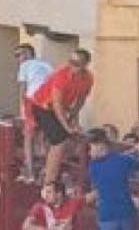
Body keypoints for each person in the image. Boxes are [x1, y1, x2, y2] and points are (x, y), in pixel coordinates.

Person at [30, 48, 94, 185]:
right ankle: (49, 182)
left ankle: (52, 173)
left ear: (85, 65)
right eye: (71, 62)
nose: (72, 66)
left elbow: (80, 100)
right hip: (42, 106)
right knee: (60, 141)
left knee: (65, 138)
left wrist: (73, 119)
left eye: (77, 63)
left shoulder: (88, 78)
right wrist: (67, 126)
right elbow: (56, 104)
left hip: (62, 107)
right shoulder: (61, 75)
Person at [15, 44, 53, 183]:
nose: (17, 59)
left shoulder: (24, 66)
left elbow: (22, 90)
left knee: (28, 138)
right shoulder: (47, 65)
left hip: (33, 101)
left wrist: (23, 112)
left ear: (27, 54)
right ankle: (46, 170)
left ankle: (30, 173)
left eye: (18, 55)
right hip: (48, 103)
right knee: (46, 138)